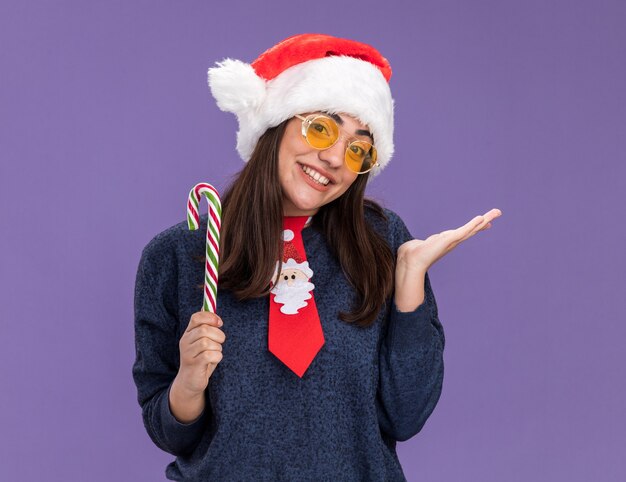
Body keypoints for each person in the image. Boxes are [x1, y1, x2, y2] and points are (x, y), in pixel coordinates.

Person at [132, 33, 502, 481]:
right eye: (321, 128)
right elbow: (170, 433)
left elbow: (406, 416)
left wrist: (409, 283)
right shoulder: (180, 255)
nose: (332, 157)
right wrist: (189, 380)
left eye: (357, 148)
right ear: (277, 124)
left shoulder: (384, 243)